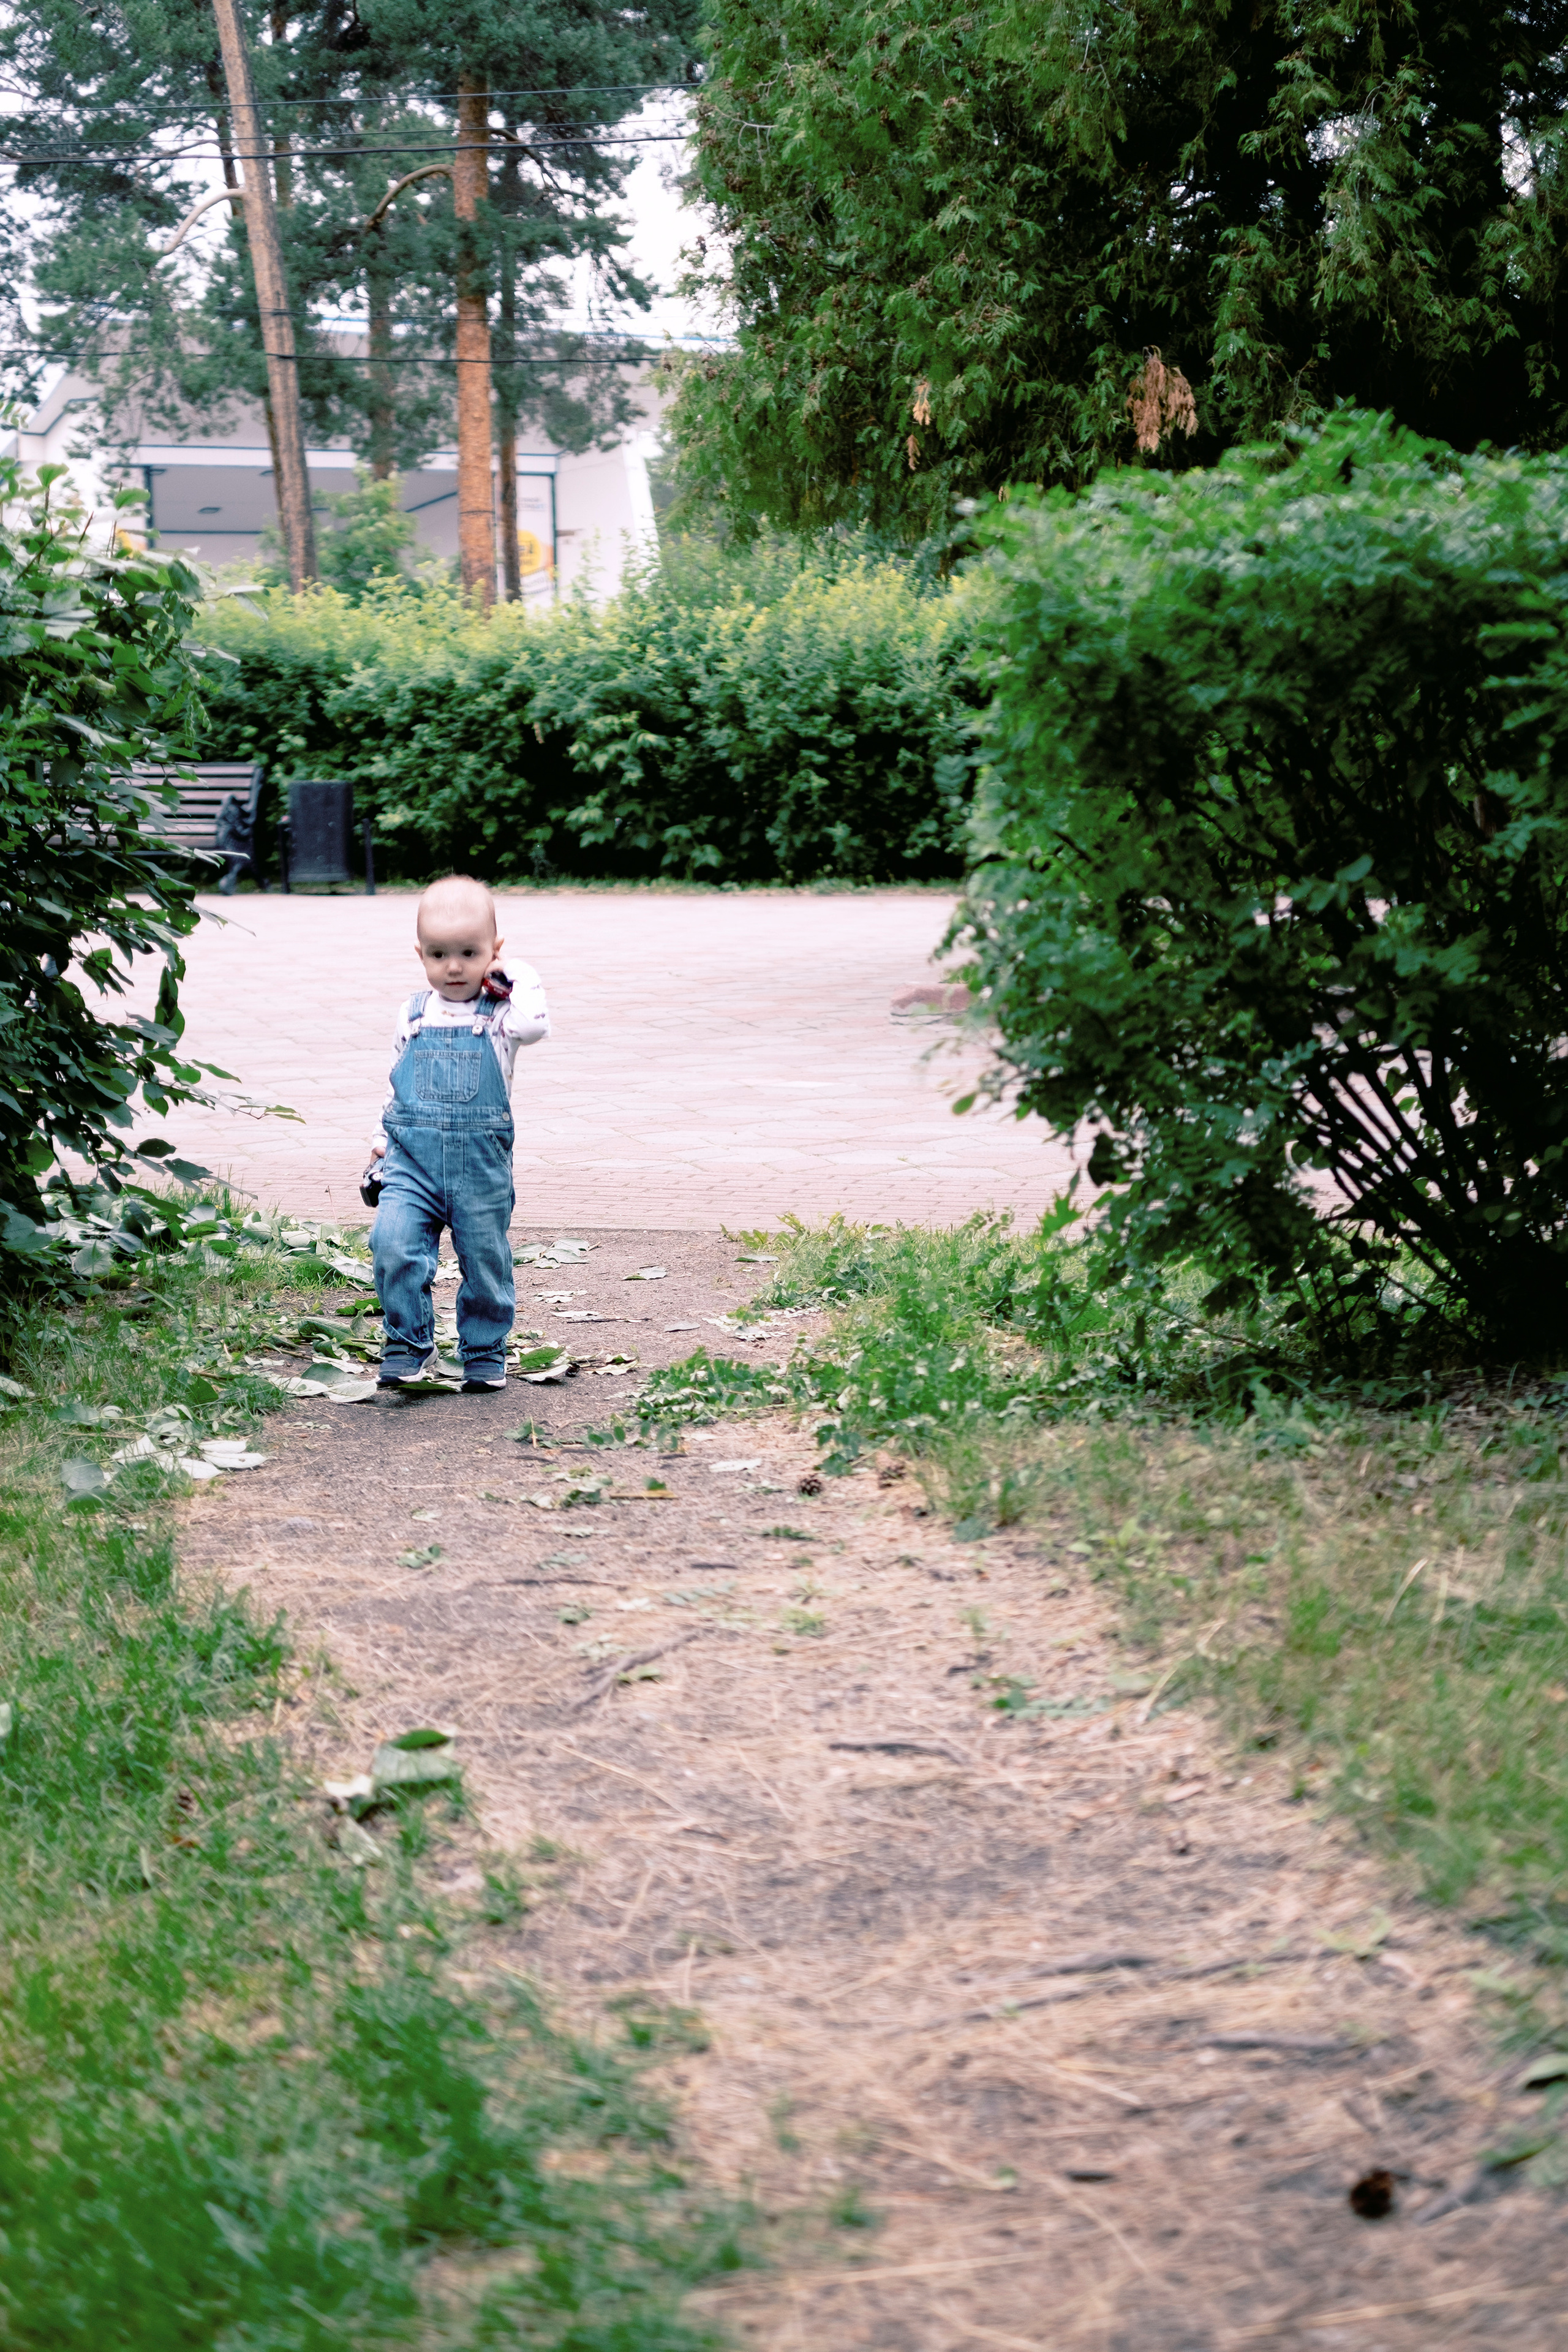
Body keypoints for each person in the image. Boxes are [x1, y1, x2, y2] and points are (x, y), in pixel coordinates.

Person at [368, 875, 549, 1397]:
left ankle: (484, 1351)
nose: (453, 967)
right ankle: (407, 1343)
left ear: (494, 951)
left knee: (485, 1260)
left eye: (470, 953)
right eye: (439, 954)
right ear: (420, 953)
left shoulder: (502, 1018)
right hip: (411, 1161)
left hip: (480, 1169)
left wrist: (513, 973)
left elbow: (538, 1024)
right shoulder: (413, 1012)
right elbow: (398, 1076)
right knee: (392, 1244)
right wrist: (380, 1137)